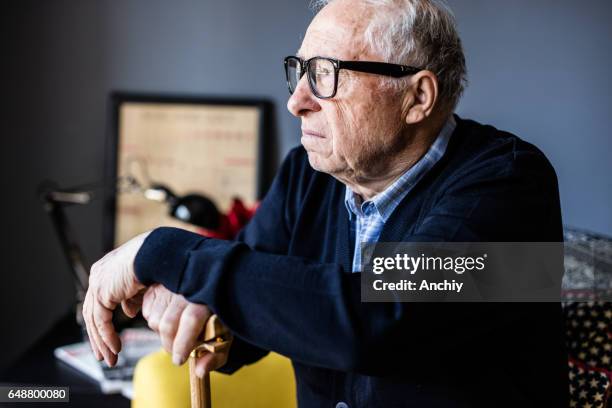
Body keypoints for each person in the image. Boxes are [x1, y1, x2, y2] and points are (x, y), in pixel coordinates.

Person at [82, 0, 569, 406]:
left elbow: (380, 317)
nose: (297, 101)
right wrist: (206, 312)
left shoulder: (512, 186)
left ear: (417, 96)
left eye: (326, 74)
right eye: (299, 71)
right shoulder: (306, 176)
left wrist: (166, 252)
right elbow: (255, 314)